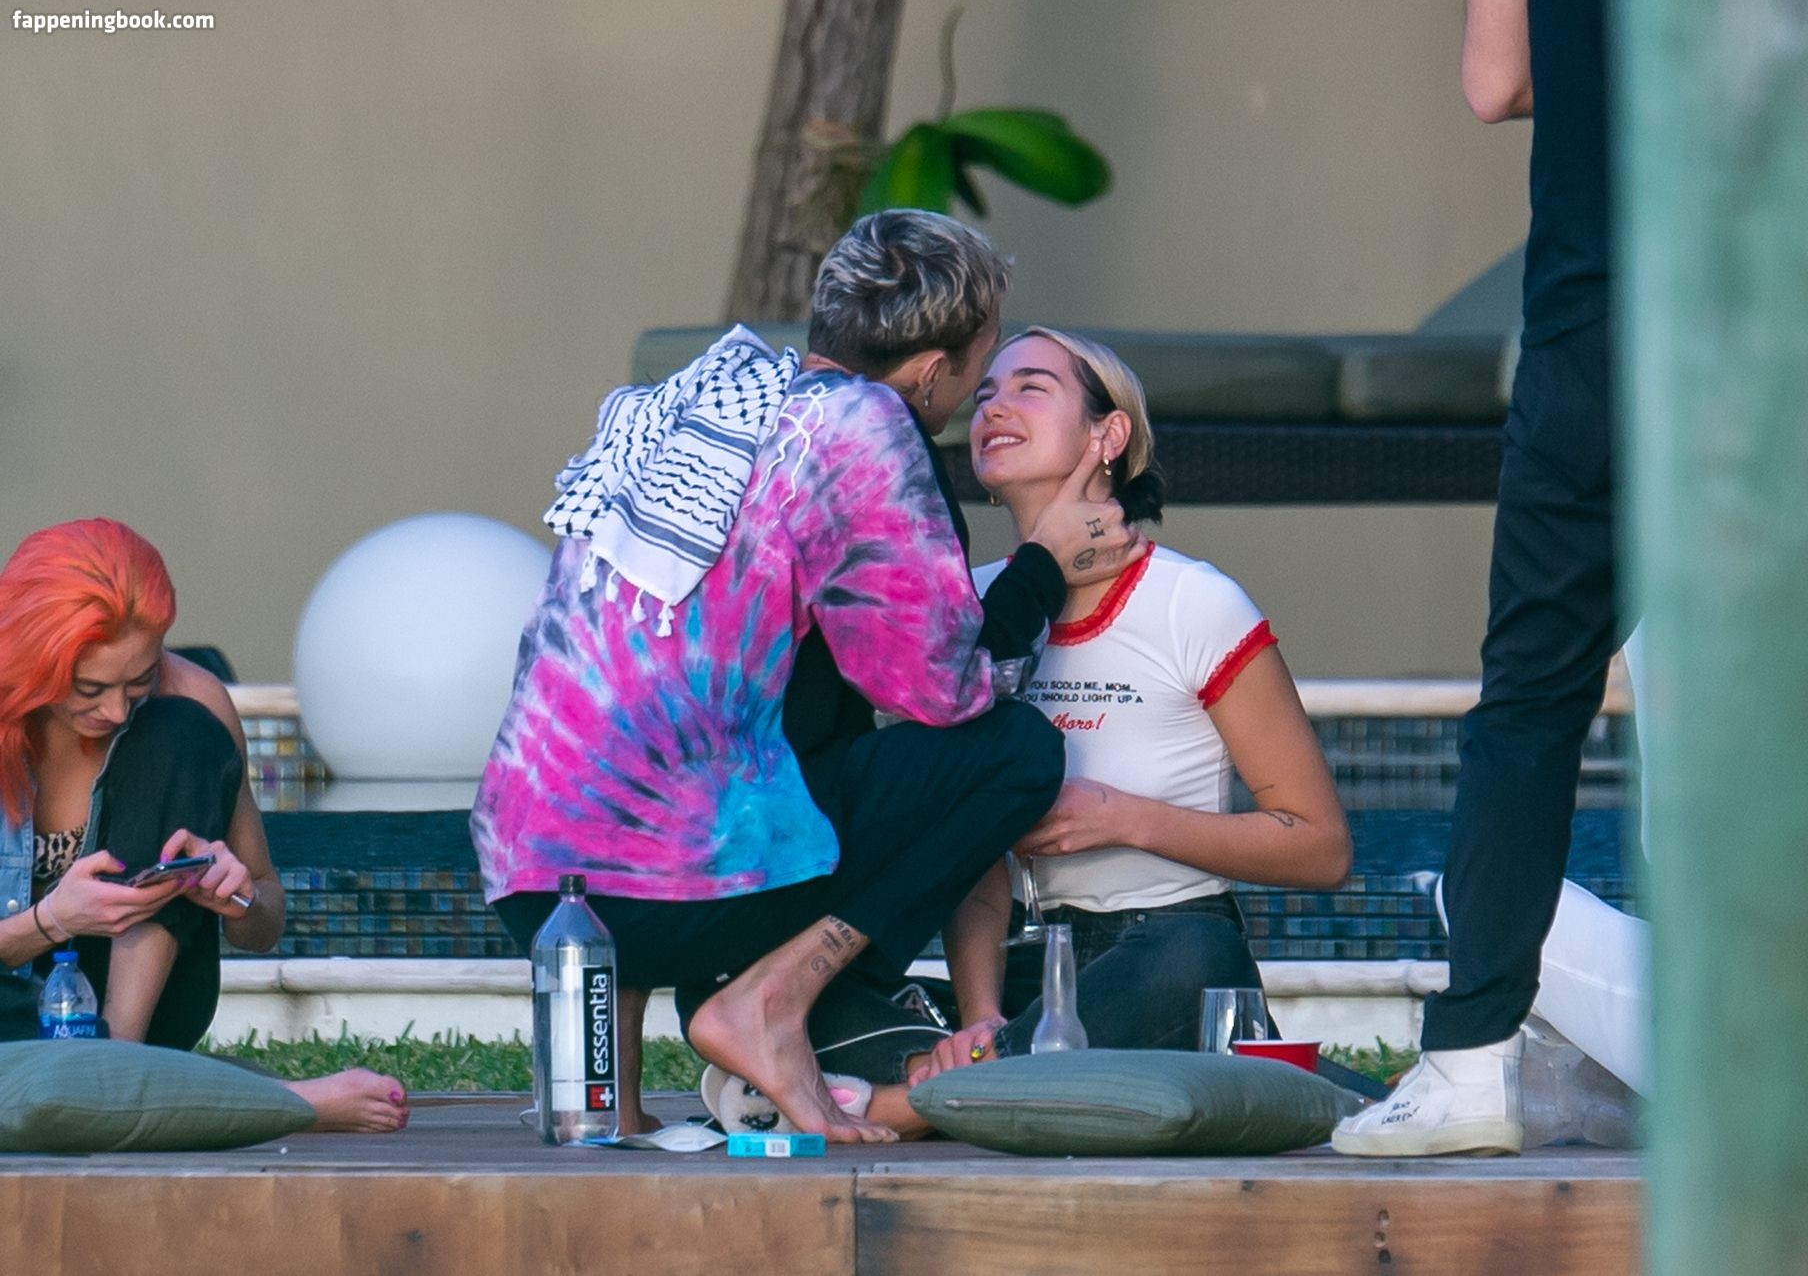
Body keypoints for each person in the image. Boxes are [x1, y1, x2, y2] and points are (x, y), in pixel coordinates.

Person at [474, 210, 1135, 1143]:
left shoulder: (698, 412)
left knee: (710, 716)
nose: (973, 398)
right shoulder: (863, 423)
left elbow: (644, 694)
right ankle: (771, 1004)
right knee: (1012, 751)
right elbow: (940, 691)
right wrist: (1042, 564)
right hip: (667, 887)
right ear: (931, 370)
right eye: (978, 367)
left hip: (534, 885)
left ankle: (610, 1097)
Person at [792, 328, 1352, 1129]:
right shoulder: (973, 608)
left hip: (1159, 954)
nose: (994, 406)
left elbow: (1320, 846)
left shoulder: (1194, 602)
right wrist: (981, 1015)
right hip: (1026, 970)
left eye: (1031, 387)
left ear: (1108, 433)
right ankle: (995, 1071)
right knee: (802, 978)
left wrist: (1124, 817)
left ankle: (919, 1099)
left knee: (1195, 961)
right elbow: (968, 856)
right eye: (986, 392)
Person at [1334, 0, 1619, 1156]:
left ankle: (1468, 1064)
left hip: (1593, 341)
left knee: (1532, 703)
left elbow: (1498, 83)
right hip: (1783, 338)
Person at [0, 518, 407, 1133]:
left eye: (138, 681)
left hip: (136, 1014)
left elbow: (264, 923)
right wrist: (54, 919)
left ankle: (119, 1072)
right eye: (88, 688)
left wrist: (234, 897)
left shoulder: (191, 695)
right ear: (34, 659)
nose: (116, 710)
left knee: (181, 728)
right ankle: (261, 1099)